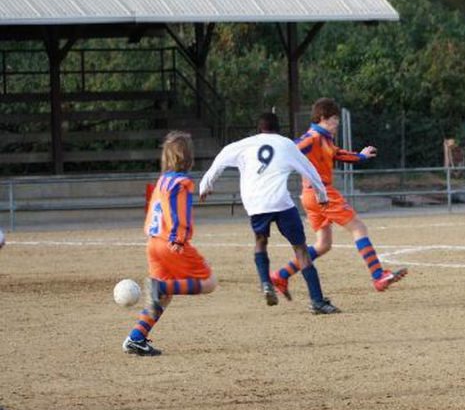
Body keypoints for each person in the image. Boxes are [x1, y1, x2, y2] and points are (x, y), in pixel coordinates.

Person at [199, 112, 340, 315]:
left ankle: (266, 283)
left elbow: (221, 158)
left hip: (256, 204)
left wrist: (205, 185)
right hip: (280, 202)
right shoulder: (286, 145)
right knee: (300, 249)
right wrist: (321, 194)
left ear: (259, 129)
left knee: (260, 242)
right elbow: (308, 168)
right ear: (278, 128)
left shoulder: (243, 145)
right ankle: (317, 301)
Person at [269, 97, 406, 301]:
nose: (337, 123)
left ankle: (281, 275)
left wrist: (360, 156)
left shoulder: (324, 139)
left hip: (309, 195)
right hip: (321, 193)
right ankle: (378, 275)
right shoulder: (314, 137)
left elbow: (336, 154)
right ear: (323, 118)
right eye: (334, 119)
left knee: (323, 244)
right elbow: (294, 147)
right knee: (358, 228)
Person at [123, 131, 218, 356]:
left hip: (154, 242)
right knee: (208, 282)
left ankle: (137, 337)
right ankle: (161, 287)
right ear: (189, 158)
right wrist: (179, 237)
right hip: (171, 242)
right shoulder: (182, 183)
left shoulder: (163, 181)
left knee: (163, 298)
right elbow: (179, 212)